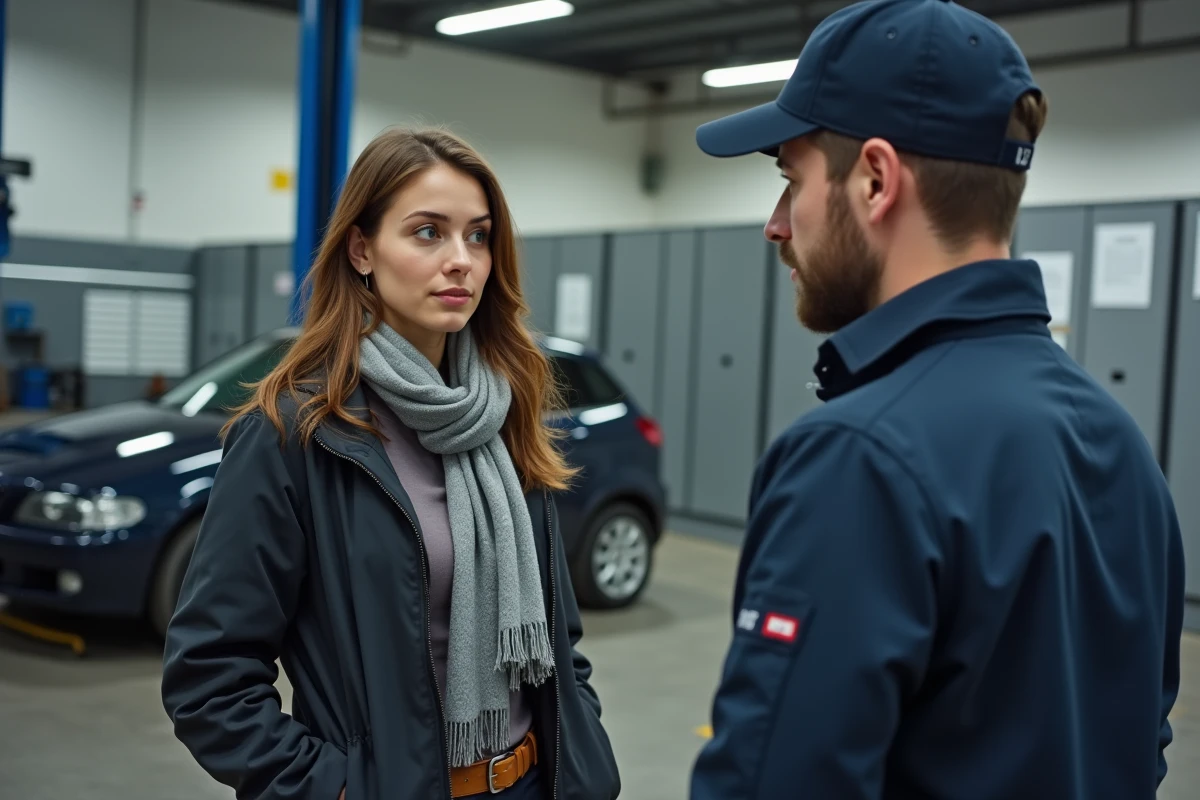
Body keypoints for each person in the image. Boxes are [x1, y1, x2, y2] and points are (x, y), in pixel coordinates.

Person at [688, 1, 1185, 798]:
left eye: (793, 181)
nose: (777, 226)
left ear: (876, 180)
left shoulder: (859, 457)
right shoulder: (1116, 440)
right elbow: (1137, 738)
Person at [160, 127, 621, 800]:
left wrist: (586, 757)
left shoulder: (504, 415)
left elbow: (557, 639)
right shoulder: (294, 435)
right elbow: (209, 676)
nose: (461, 259)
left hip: (532, 782)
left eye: (478, 235)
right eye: (428, 232)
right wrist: (333, 788)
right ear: (362, 248)